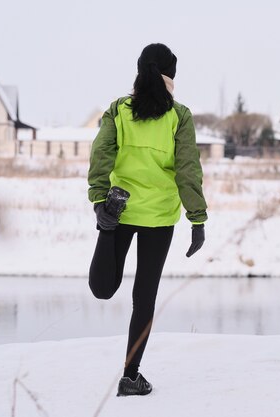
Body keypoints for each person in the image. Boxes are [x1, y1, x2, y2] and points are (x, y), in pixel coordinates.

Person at [87, 43, 208, 397]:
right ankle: (131, 375)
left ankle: (106, 226)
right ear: (172, 75)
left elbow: (101, 154)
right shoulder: (179, 116)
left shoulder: (119, 110)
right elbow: (187, 169)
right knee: (145, 295)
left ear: (139, 70)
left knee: (103, 288)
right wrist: (197, 218)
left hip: (120, 210)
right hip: (159, 215)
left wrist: (98, 200)